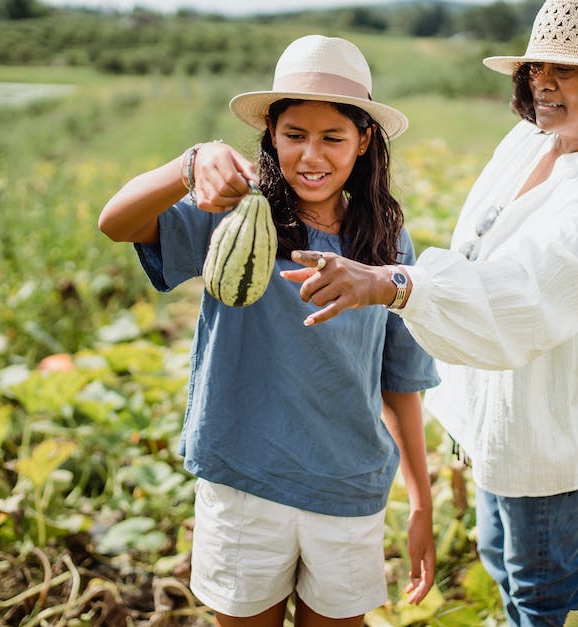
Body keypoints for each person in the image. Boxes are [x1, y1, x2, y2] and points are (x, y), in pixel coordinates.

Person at [280, 0, 578, 625]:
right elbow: (479, 252)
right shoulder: (534, 140)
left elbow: (518, 297)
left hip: (552, 420)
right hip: (505, 407)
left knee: (541, 590)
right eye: (537, 67)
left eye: (568, 70)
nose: (543, 82)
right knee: (500, 555)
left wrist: (390, 283)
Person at [98, 35, 438, 627]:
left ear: (363, 142)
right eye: (294, 135)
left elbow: (400, 382)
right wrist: (189, 164)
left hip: (347, 488)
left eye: (333, 137)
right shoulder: (232, 217)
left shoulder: (386, 244)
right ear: (271, 138)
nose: (312, 155)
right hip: (245, 482)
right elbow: (115, 222)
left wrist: (421, 502)